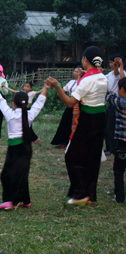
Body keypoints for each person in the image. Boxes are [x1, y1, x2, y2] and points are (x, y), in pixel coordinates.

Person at [46, 46, 108, 205]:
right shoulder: (103, 78)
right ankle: (89, 195)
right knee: (92, 158)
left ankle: (80, 194)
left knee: (71, 156)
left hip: (88, 120)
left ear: (85, 60)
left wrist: (58, 86)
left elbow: (70, 103)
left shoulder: (87, 80)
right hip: (101, 119)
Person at [0, 77, 49, 210]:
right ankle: (25, 200)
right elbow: (39, 103)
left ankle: (8, 200)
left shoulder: (10, 115)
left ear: (13, 104)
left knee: (6, 175)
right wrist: (46, 87)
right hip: (26, 147)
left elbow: (0, 100)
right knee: (21, 174)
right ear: (27, 104)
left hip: (14, 149)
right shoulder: (29, 115)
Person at [50, 67, 84, 148]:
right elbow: (63, 90)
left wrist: (80, 77)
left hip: (79, 104)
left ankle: (75, 141)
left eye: (78, 71)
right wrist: (56, 86)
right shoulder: (71, 82)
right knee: (66, 121)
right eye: (75, 71)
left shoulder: (83, 81)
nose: (75, 73)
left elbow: (78, 89)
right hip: (70, 103)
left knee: (77, 123)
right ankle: (63, 142)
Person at [106, 78, 126, 203]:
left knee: (118, 170)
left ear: (122, 89)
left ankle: (119, 198)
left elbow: (109, 96)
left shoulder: (120, 102)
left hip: (123, 143)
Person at [105, 55, 126, 155]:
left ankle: (114, 148)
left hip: (118, 101)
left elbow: (122, 80)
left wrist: (120, 65)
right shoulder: (109, 75)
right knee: (108, 126)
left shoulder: (123, 73)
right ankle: (110, 147)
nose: (110, 64)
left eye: (112, 62)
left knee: (114, 126)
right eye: (110, 62)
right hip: (112, 102)